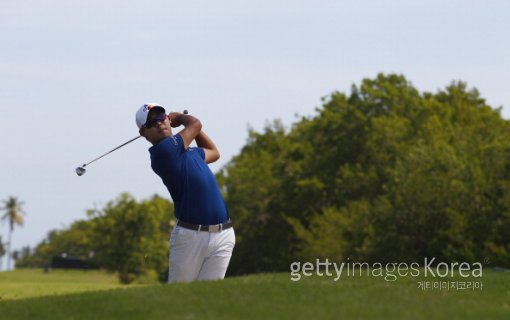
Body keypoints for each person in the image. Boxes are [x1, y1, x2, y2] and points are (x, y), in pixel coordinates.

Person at [135, 102, 235, 283]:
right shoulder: (162, 152)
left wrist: (190, 127)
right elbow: (195, 124)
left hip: (224, 234)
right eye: (151, 123)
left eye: (161, 117)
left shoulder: (189, 152)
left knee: (209, 298)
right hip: (190, 237)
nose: (159, 123)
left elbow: (214, 152)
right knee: (179, 299)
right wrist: (181, 118)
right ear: (143, 134)